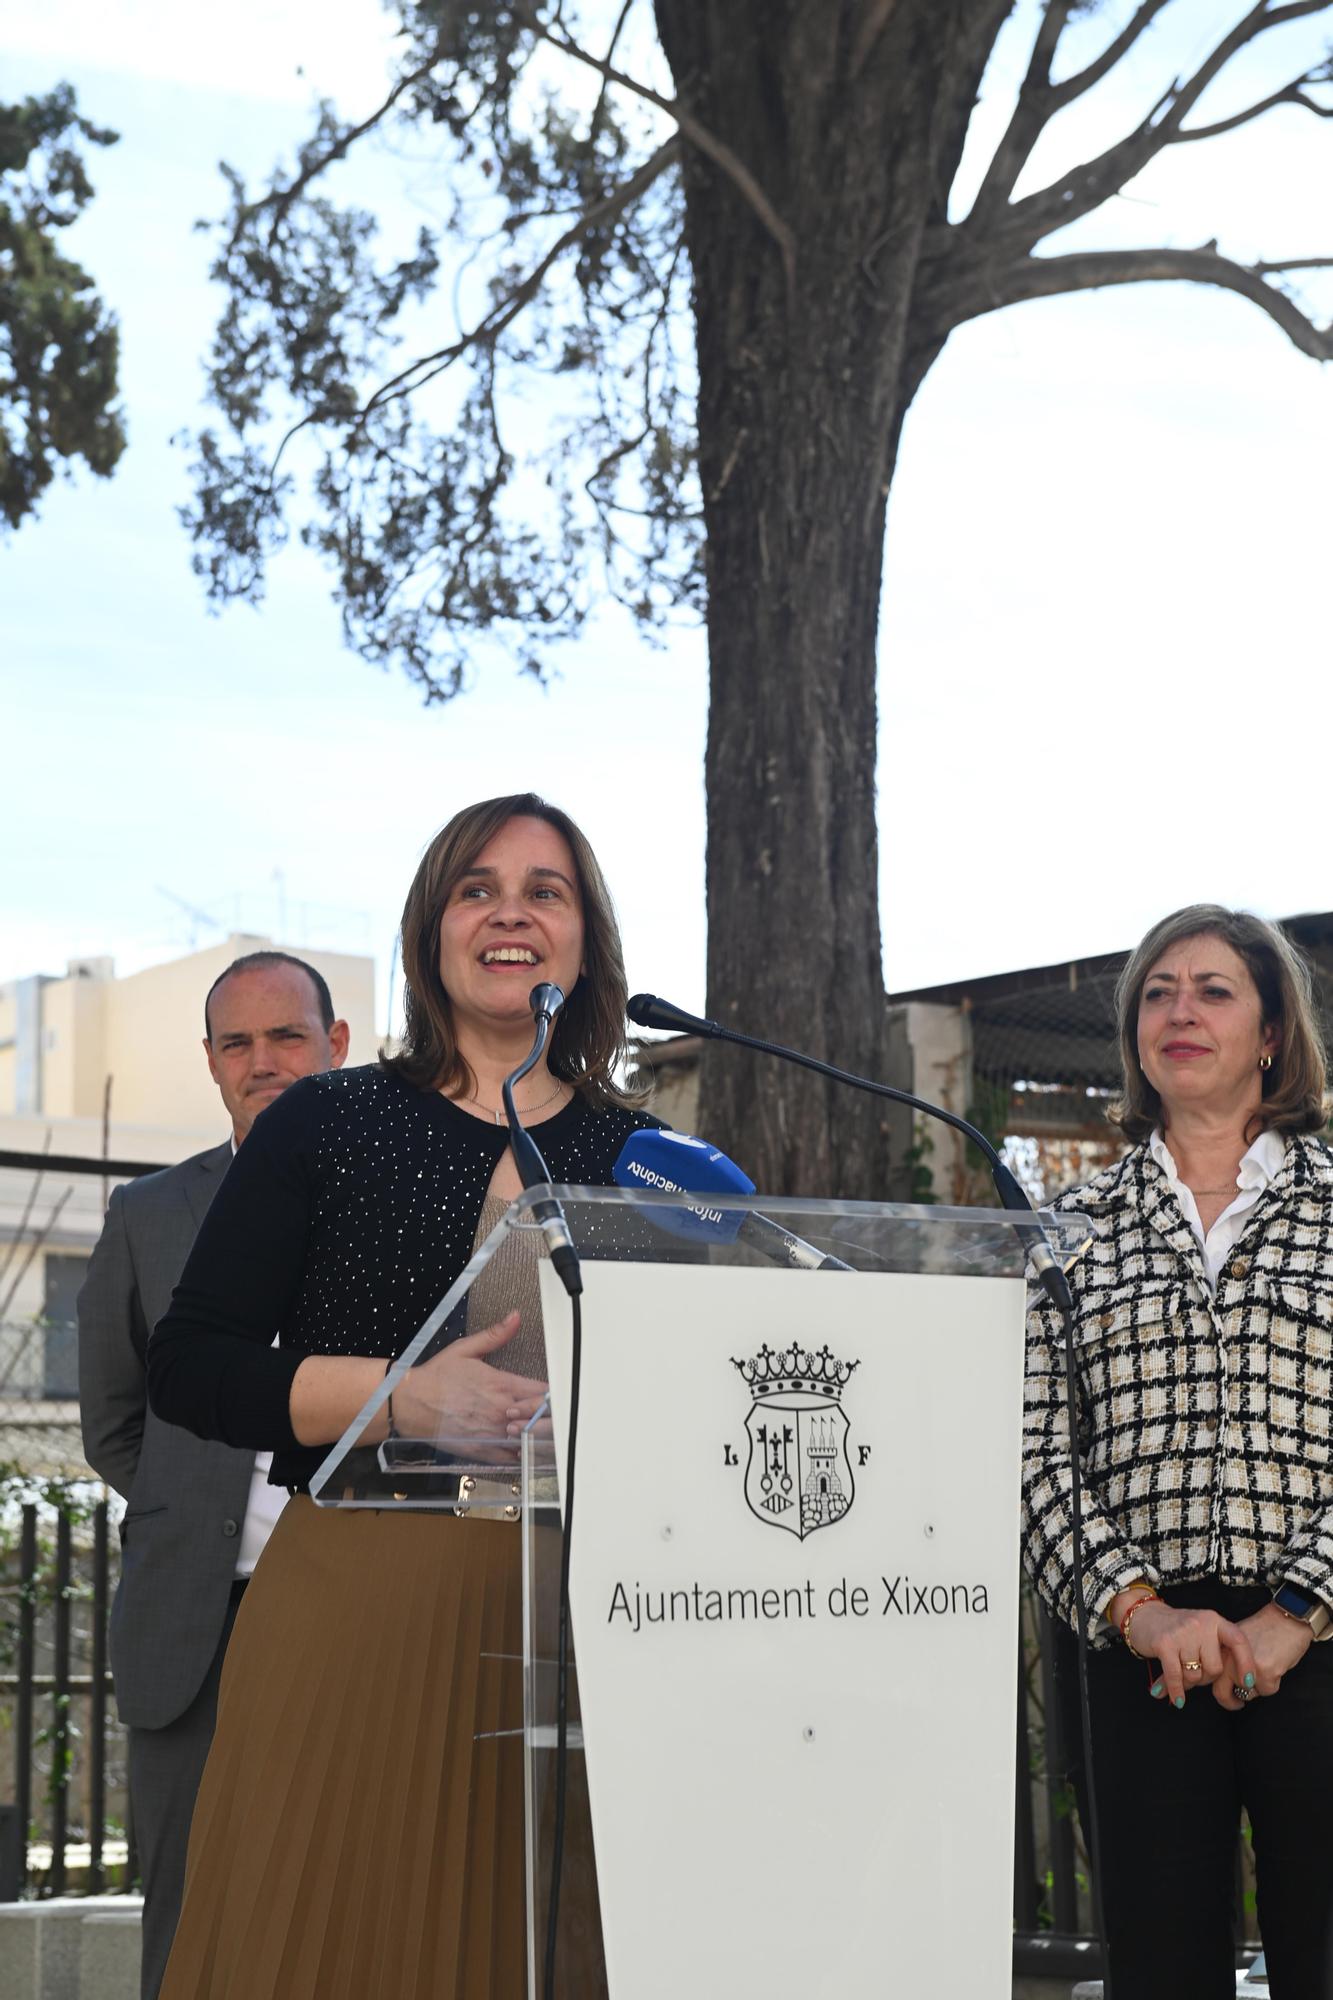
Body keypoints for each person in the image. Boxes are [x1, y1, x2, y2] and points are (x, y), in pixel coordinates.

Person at [146, 794, 660, 2000]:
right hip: (357, 1613)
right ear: (432, 930)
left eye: (546, 889)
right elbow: (191, 1361)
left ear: (585, 937)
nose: (510, 913)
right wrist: (398, 1398)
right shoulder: (328, 1119)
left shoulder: (642, 1153)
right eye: (477, 888)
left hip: (579, 1624)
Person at [1022, 904, 1333, 1999]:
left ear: (1268, 1034)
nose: (1179, 1009)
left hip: (1320, 1641)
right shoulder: (1069, 1229)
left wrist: (1295, 1614)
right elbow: (1034, 1456)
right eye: (1157, 991)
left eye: (1211, 989)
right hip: (1139, 1649)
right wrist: (1139, 1609)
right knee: (1160, 1969)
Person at [77, 952, 349, 2000]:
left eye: (287, 1036)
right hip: (194, 1612)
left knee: (341, 1883)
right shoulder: (147, 1213)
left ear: (337, 1045)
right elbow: (113, 1418)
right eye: (237, 1042)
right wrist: (198, 1503)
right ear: (209, 1062)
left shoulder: (398, 1205)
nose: (263, 1061)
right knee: (187, 1907)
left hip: (353, 1600)